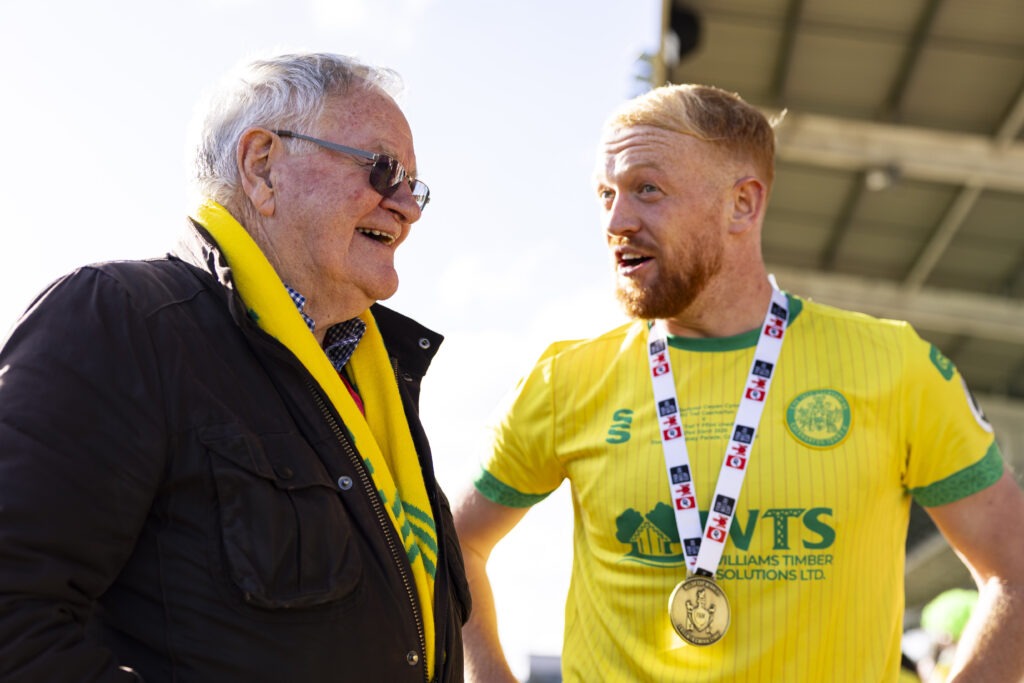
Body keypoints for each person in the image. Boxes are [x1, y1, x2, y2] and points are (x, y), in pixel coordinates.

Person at [453, 83, 1024, 682]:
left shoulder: (894, 366)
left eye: (647, 188)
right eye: (605, 193)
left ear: (742, 205)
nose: (617, 221)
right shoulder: (565, 379)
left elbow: (1012, 569)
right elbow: (454, 546)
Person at [0, 52, 469, 682]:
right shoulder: (122, 321)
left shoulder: (369, 375)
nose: (408, 207)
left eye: (416, 186)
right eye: (384, 170)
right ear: (262, 167)